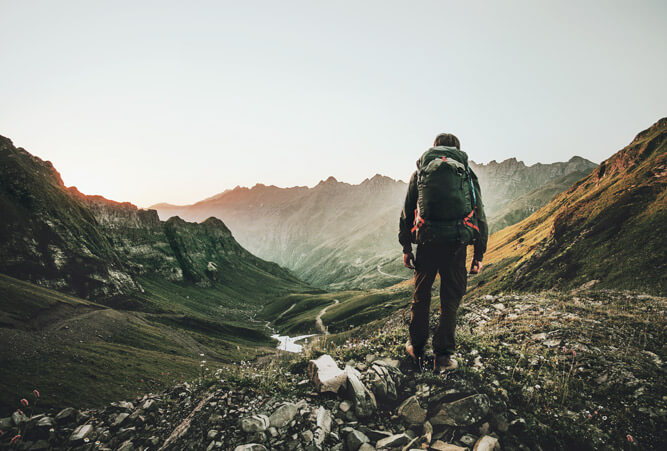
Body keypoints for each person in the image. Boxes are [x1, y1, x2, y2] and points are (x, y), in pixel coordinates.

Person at [398, 133, 488, 372]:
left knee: (422, 297)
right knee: (450, 300)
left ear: (435, 148)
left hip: (427, 243)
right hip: (456, 245)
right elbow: (480, 215)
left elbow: (407, 213)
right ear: (458, 149)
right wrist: (478, 255)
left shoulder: (420, 173)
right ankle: (443, 357)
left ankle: (417, 350)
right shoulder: (467, 175)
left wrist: (406, 248)